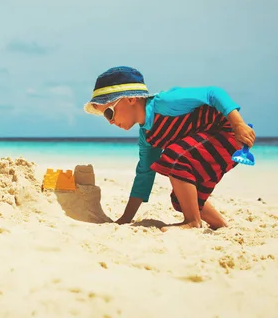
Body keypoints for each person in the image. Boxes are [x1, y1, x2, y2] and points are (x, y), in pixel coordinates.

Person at [83, 66, 255, 230]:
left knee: (175, 159)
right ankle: (221, 226)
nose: (110, 121)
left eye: (109, 113)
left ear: (130, 99)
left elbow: (213, 93)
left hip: (228, 134)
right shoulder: (148, 137)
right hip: (204, 147)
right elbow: (144, 175)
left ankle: (192, 222)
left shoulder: (166, 103)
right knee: (182, 200)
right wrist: (125, 219)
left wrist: (238, 124)